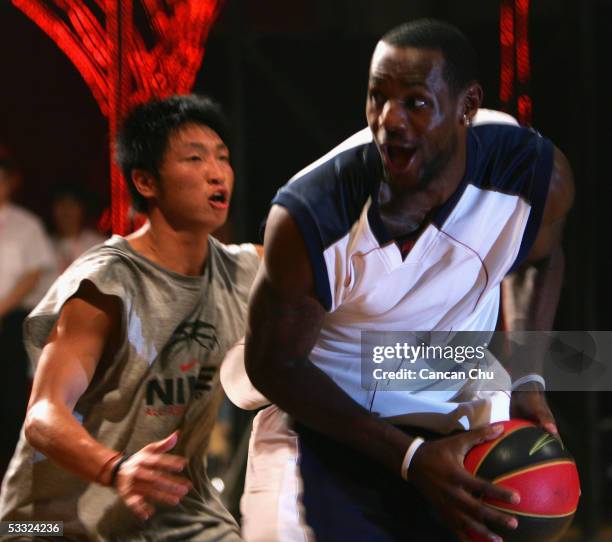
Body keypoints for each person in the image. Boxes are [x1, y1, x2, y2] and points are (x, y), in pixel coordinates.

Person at [230, 19, 574, 542]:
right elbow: (273, 364)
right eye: (377, 97)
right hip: (327, 416)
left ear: (467, 105)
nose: (390, 119)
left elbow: (539, 259)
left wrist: (527, 376)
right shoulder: (313, 214)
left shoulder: (531, 175)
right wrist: (410, 458)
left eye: (415, 100)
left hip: (457, 411)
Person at [0, 95, 260, 541]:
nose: (216, 172)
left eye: (222, 158)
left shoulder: (246, 271)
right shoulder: (106, 284)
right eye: (194, 158)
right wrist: (116, 468)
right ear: (145, 181)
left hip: (176, 516)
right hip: (51, 523)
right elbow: (42, 414)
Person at [0, 158, 55, 479]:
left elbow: (34, 274)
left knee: (9, 395)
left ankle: (11, 468)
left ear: (10, 182)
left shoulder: (26, 224)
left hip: (10, 321)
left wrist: (3, 309)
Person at [49, 183, 106, 275]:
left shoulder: (99, 245)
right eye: (61, 204)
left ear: (82, 209)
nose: (66, 210)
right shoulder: (45, 245)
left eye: (72, 204)